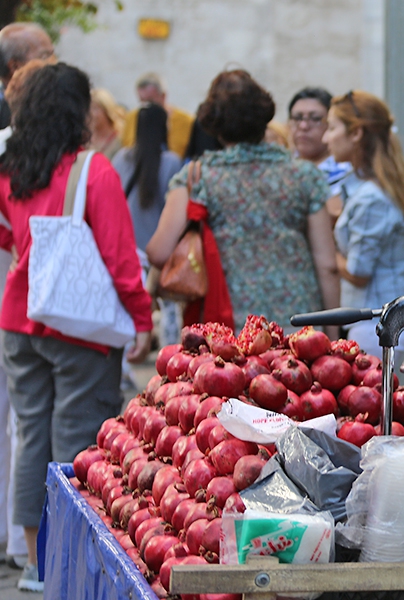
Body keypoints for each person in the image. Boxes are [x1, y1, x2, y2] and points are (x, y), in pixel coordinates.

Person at [0, 62, 152, 592]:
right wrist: (140, 318)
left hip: (19, 319)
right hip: (79, 328)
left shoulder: (12, 167)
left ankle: (34, 564)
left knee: (30, 438)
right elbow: (118, 259)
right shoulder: (94, 171)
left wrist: (23, 247)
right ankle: (63, 559)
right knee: (74, 437)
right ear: (78, 110)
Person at [146, 69, 340, 334]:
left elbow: (159, 252)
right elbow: (327, 265)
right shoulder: (304, 175)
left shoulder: (196, 177)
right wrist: (330, 333)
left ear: (214, 123)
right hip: (298, 326)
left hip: (229, 329)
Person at [0, 23, 54, 576]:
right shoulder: (60, 159)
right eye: (44, 55)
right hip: (41, 308)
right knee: (40, 429)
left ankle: (27, 551)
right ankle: (34, 552)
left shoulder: (13, 153)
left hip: (18, 302)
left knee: (26, 427)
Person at [322, 90, 404, 357]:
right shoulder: (369, 188)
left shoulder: (371, 199)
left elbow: (358, 271)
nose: (326, 138)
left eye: (331, 128)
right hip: (380, 321)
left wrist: (326, 247)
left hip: (378, 325)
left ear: (355, 134)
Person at [112, 102, 183, 349]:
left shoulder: (121, 158)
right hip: (158, 250)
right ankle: (170, 356)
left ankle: (128, 357)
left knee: (127, 309)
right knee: (168, 311)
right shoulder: (172, 162)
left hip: (127, 249)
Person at [288, 87, 351, 211]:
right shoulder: (280, 168)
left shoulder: (347, 171)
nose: (304, 126)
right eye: (297, 118)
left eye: (315, 118)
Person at [120, 72, 194, 159]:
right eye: (142, 102)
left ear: (163, 96)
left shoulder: (186, 120)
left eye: (150, 101)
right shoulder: (131, 118)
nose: (146, 106)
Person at [88, 88, 125, 161]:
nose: (91, 114)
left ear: (107, 111)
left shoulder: (120, 140)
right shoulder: (84, 139)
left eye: (95, 108)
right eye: (88, 109)